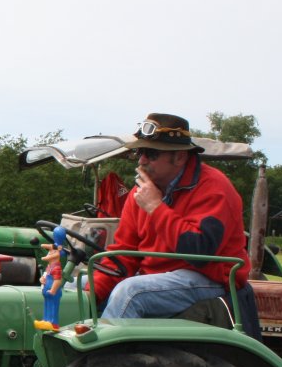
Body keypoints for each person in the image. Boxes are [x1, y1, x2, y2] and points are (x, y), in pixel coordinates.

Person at [94, 113, 250, 321]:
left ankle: (105, 344)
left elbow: (199, 251)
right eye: (140, 152)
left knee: (130, 293)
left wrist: (156, 207)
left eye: (151, 153)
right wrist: (91, 292)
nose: (141, 160)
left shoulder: (214, 188)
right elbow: (124, 252)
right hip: (158, 278)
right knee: (73, 286)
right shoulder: (140, 193)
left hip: (211, 279)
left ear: (179, 157)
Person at [33, 226, 67, 330]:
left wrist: (53, 290)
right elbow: (46, 276)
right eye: (49, 252)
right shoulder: (49, 266)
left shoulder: (56, 267)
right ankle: (46, 320)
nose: (49, 254)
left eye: (52, 252)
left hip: (53, 291)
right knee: (47, 305)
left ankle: (53, 323)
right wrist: (42, 279)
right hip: (47, 290)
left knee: (53, 306)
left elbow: (58, 281)